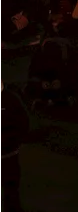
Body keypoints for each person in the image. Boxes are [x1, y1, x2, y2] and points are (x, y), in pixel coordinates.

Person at [0, 79, 29, 212]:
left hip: (8, 153)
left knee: (11, 188)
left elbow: (23, 122)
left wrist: (16, 141)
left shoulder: (11, 99)